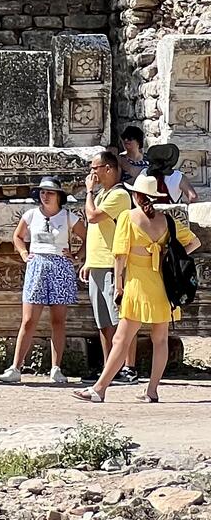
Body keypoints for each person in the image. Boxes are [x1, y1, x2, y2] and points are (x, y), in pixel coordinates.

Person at [81, 173, 201, 405]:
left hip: (137, 286)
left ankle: (99, 388)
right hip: (163, 287)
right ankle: (152, 391)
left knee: (121, 339)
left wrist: (118, 286)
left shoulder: (128, 217)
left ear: (136, 195)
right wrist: (169, 257)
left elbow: (120, 256)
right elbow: (194, 242)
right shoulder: (166, 220)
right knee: (160, 340)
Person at [0, 177, 83, 385]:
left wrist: (77, 256)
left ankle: (56, 368)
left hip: (60, 266)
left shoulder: (68, 216)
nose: (45, 196)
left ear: (58, 196)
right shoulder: (31, 215)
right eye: (43, 192)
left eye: (50, 192)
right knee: (28, 320)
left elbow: (87, 236)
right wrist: (23, 253)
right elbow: (18, 236)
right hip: (37, 264)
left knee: (58, 320)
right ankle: (16, 367)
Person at [82, 149, 138, 385]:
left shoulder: (119, 195)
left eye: (94, 168)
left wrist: (88, 191)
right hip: (97, 263)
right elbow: (95, 230)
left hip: (113, 265)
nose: (91, 173)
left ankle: (129, 367)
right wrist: (88, 260)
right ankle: (109, 368)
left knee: (122, 319)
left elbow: (93, 217)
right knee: (104, 322)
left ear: (108, 168)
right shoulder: (102, 195)